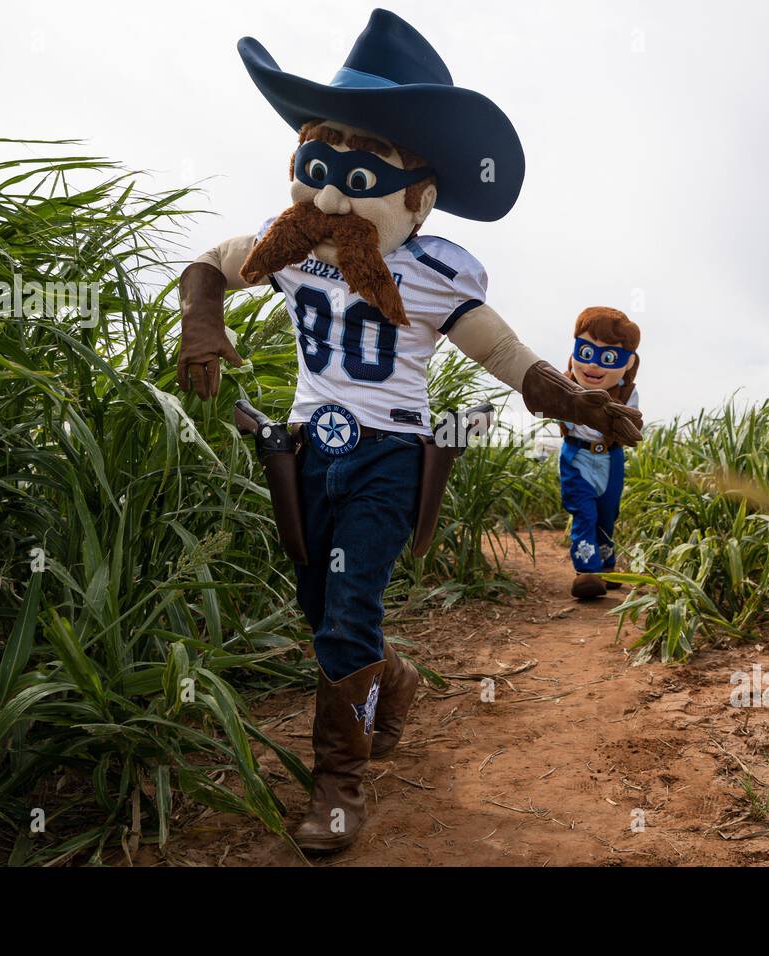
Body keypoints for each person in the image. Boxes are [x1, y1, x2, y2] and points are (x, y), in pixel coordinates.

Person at [175, 9, 642, 852]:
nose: (325, 196)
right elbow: (207, 264)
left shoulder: (435, 271)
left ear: (418, 197)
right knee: (320, 608)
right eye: (315, 167)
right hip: (305, 451)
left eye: (353, 175)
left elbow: (503, 351)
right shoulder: (293, 244)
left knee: (349, 606)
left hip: (390, 455)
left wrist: (582, 402)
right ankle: (392, 680)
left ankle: (340, 787)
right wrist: (201, 324)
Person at [558, 308, 641, 600]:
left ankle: (606, 566)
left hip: (610, 457)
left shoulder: (628, 393)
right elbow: (548, 408)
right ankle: (587, 572)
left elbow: (631, 425)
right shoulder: (565, 386)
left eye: (608, 358)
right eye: (585, 351)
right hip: (576, 456)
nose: (593, 366)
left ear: (628, 362)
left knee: (607, 514)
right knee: (584, 513)